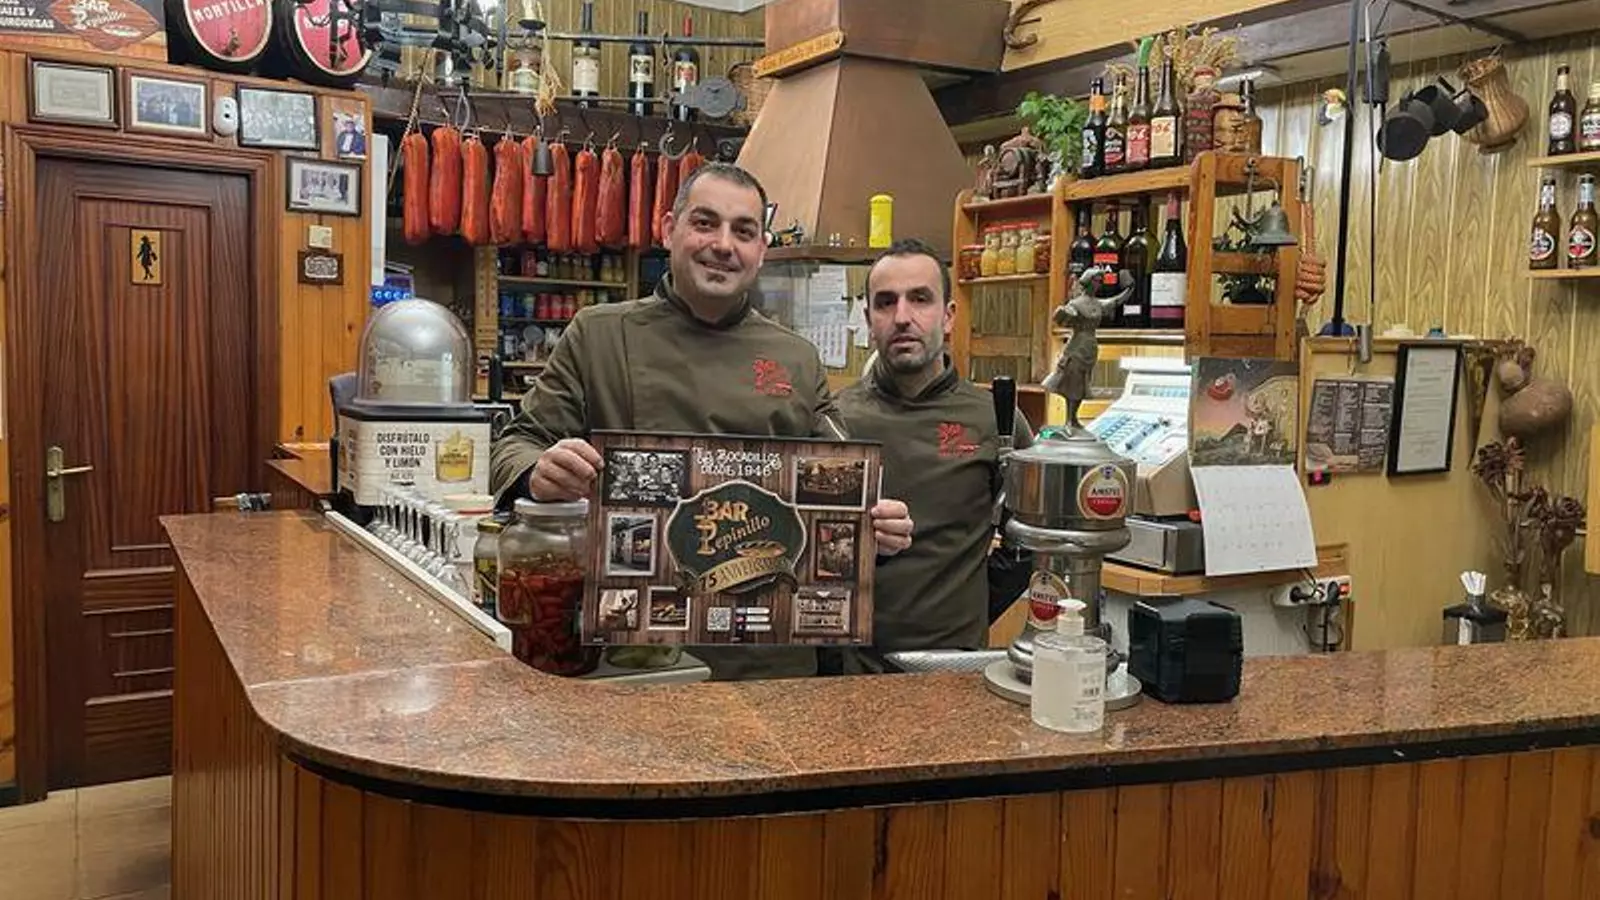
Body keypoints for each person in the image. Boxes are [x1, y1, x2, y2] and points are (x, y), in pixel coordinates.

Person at [490, 162, 914, 680]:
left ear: (762, 249)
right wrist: (538, 471)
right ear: (669, 229)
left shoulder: (797, 359)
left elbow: (841, 481)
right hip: (633, 659)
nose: (723, 245)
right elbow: (516, 443)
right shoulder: (597, 336)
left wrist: (876, 525)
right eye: (705, 223)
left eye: (744, 231)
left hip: (769, 660)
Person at [832, 238, 1032, 672]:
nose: (902, 316)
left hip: (953, 666)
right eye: (886, 302)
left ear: (948, 316)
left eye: (920, 299)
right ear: (868, 320)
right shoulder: (833, 421)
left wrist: (968, 608)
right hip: (845, 667)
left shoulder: (996, 421)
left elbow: (1028, 545)